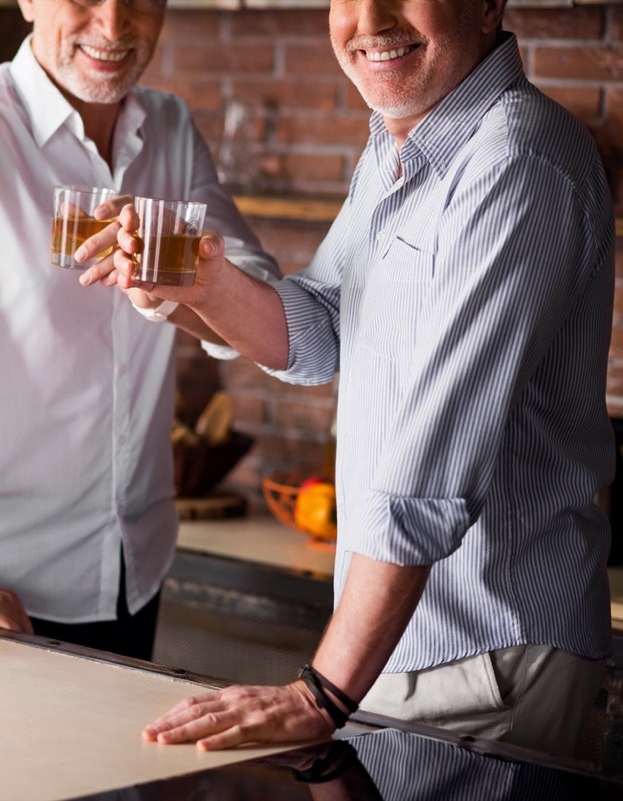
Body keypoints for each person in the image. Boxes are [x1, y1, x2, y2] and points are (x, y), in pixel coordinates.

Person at [81, 0, 615, 753]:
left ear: (489, 4)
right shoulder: (405, 145)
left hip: (487, 648)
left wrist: (321, 690)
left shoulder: (515, 161)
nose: (369, 17)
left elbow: (427, 471)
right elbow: (326, 329)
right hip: (422, 644)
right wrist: (196, 288)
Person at [0, 0, 278, 660]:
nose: (112, 25)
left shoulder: (171, 126)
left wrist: (170, 250)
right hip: (0, 584)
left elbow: (260, 300)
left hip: (138, 568)